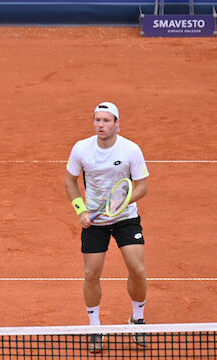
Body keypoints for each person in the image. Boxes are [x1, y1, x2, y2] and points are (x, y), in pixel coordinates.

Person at [64, 102, 149, 353]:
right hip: (95, 220)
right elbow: (70, 180)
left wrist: (122, 202)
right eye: (97, 120)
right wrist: (81, 210)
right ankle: (94, 327)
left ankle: (138, 319)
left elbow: (142, 186)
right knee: (91, 274)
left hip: (125, 218)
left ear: (117, 124)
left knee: (138, 269)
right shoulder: (82, 149)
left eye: (106, 120)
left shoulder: (131, 150)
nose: (100, 124)